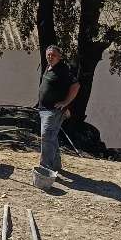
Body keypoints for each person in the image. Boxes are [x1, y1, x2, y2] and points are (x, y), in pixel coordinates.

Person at [34, 45, 79, 190]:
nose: (50, 57)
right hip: (44, 109)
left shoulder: (63, 70)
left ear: (59, 57)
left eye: (53, 55)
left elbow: (76, 86)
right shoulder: (49, 67)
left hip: (54, 110)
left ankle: (45, 169)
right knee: (51, 136)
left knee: (46, 136)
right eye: (48, 54)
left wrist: (66, 103)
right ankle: (57, 165)